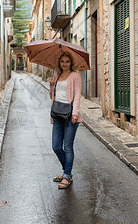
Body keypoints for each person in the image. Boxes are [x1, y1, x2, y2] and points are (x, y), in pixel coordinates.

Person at [49, 52, 82, 189]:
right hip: (57, 114)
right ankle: (67, 172)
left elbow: (77, 95)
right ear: (59, 63)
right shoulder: (56, 77)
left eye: (67, 61)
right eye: (62, 61)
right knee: (56, 146)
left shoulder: (75, 76)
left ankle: (67, 175)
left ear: (71, 63)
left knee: (68, 146)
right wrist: (51, 85)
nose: (64, 64)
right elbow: (53, 96)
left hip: (70, 115)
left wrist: (75, 113)